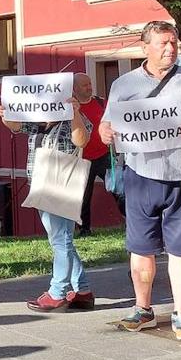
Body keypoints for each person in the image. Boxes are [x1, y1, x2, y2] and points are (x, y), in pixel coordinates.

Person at [99, 21, 181, 341]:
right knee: (141, 248)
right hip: (141, 176)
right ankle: (143, 309)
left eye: (174, 43)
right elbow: (106, 126)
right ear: (145, 47)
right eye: (163, 44)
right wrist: (105, 132)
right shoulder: (123, 85)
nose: (170, 49)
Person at [0, 96, 93, 312]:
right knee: (62, 239)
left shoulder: (73, 118)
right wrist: (5, 114)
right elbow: (14, 124)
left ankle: (57, 292)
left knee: (61, 240)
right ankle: (83, 290)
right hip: (41, 185)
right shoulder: (38, 122)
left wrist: (75, 113)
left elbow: (81, 141)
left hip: (61, 185)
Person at [73, 73, 124, 237]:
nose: (89, 87)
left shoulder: (102, 103)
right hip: (82, 159)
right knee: (83, 197)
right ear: (74, 89)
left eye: (89, 83)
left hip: (105, 155)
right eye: (84, 85)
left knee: (119, 189)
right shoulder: (70, 108)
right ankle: (84, 229)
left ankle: (132, 221)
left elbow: (119, 120)